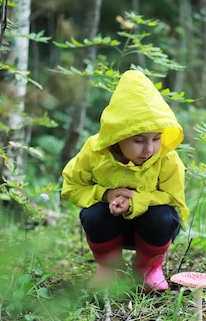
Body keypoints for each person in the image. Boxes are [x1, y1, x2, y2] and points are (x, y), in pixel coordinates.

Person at [61, 69, 189, 292]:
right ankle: (110, 268)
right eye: (138, 140)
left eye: (156, 138)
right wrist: (105, 195)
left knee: (164, 216)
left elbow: (173, 198)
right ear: (118, 136)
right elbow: (72, 186)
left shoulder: (167, 158)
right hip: (111, 228)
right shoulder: (96, 151)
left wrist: (137, 201)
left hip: (151, 230)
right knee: (93, 214)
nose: (149, 149)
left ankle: (147, 268)